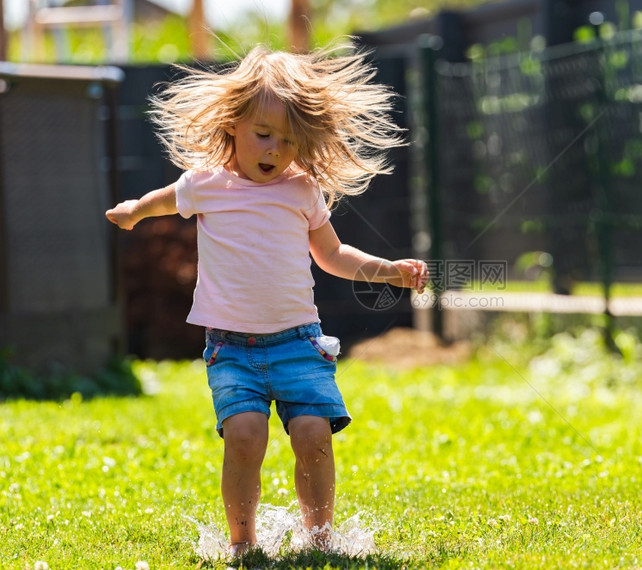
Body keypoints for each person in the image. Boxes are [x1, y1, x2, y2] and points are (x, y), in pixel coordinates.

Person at [105, 45, 429, 556]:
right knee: (246, 436)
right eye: (264, 135)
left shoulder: (301, 190)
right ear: (233, 124)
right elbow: (165, 199)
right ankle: (242, 545)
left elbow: (332, 254)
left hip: (298, 343)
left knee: (313, 436)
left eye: (289, 142)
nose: (275, 150)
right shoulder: (207, 184)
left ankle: (320, 541)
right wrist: (133, 211)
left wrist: (386, 271)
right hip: (232, 348)